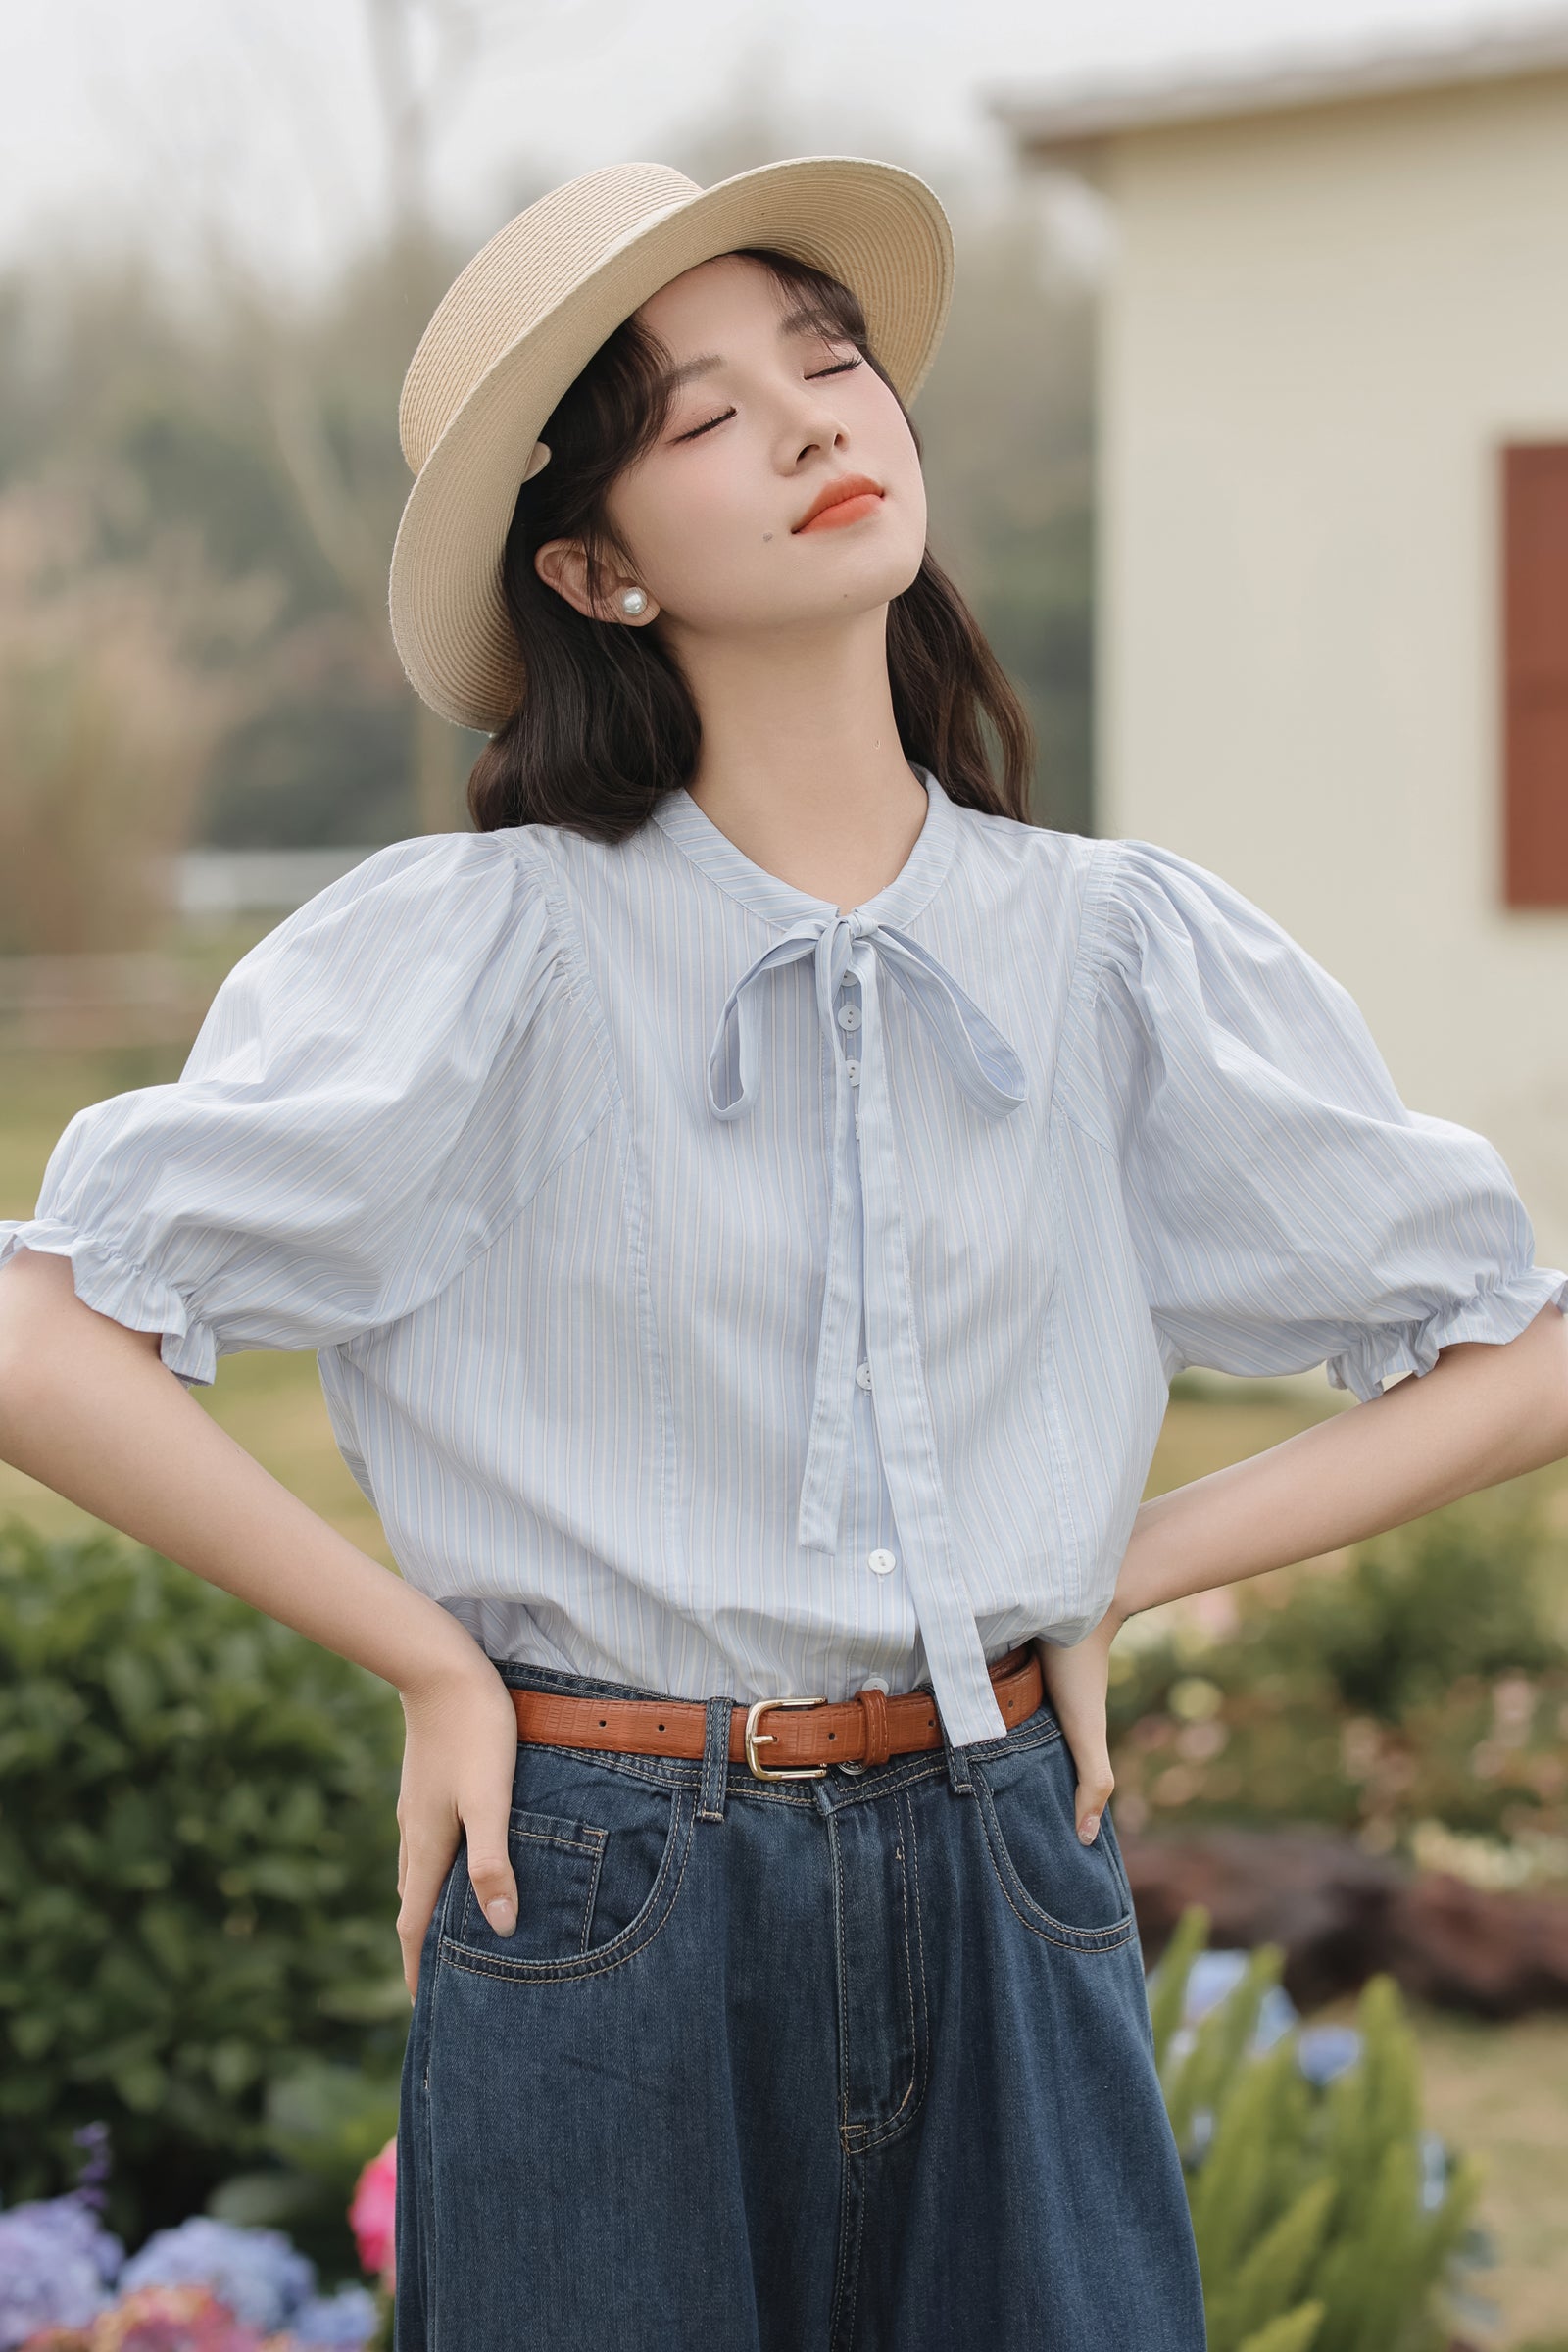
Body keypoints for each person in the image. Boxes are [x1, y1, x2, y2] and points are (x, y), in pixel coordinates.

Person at [1, 155, 1565, 2351]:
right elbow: (37, 1330)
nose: (818, 422)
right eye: (703, 414)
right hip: (600, 1884)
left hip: (1014, 1857)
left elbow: (1518, 1352)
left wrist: (1113, 1568)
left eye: (826, 363)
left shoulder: (1108, 952)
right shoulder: (494, 957)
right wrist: (431, 1664)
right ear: (592, 564)